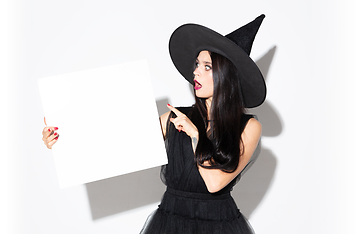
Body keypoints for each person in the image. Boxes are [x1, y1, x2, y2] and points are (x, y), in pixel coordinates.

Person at [42, 14, 266, 234]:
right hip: (170, 221)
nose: (196, 70)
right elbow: (118, 141)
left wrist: (196, 136)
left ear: (226, 76)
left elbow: (215, 183)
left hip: (219, 224)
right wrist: (63, 139)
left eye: (207, 66)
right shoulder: (174, 118)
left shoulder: (248, 127)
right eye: (197, 64)